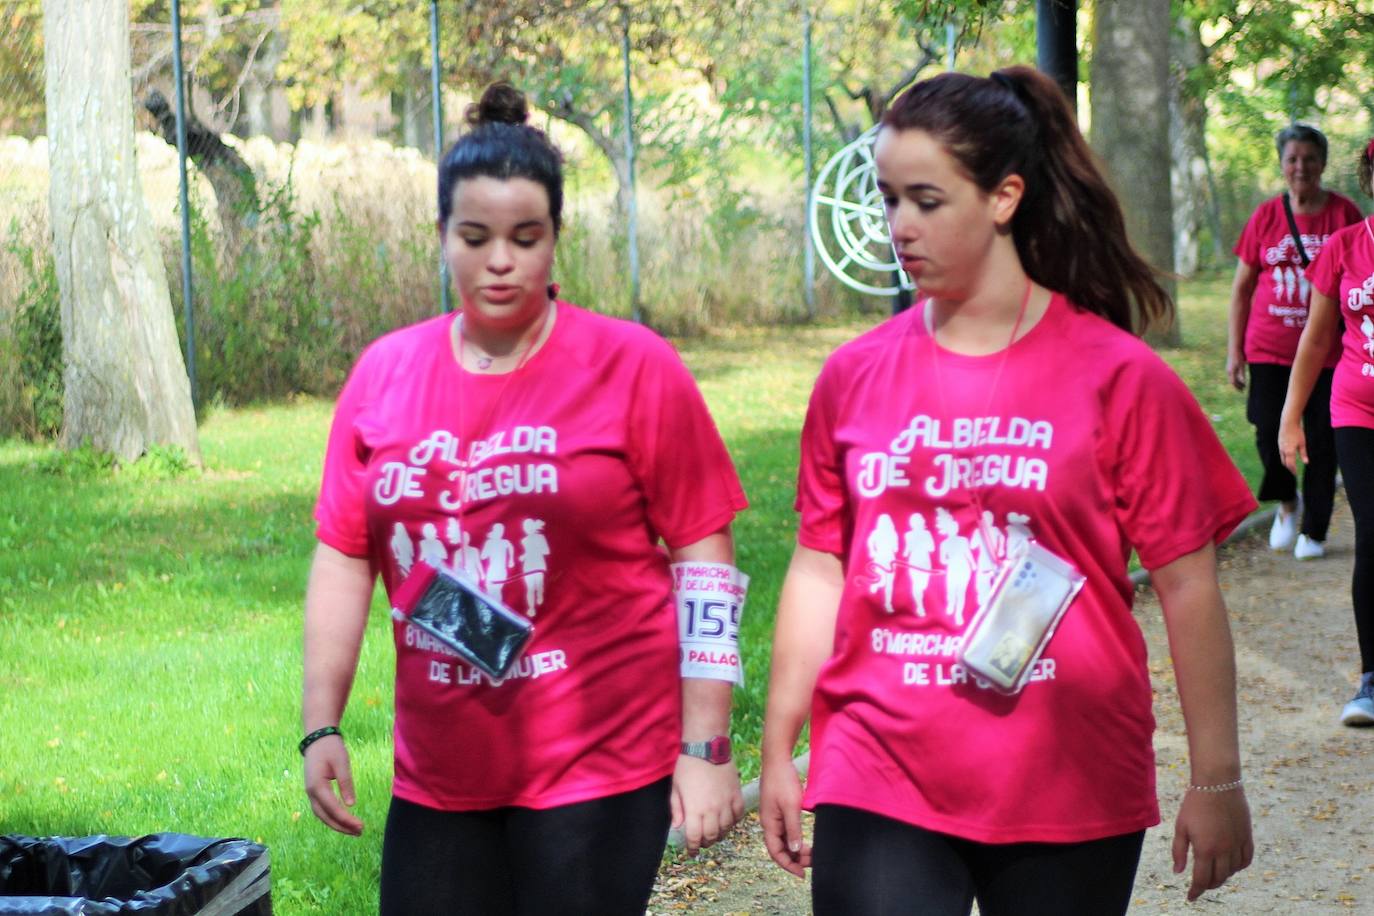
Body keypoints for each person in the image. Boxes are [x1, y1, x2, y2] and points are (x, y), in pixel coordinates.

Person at [759, 66, 1256, 916]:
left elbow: (1187, 583)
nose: (897, 227)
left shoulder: (1119, 378)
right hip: (880, 765)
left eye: (926, 199)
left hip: (1066, 775)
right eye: (887, 200)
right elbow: (818, 567)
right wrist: (779, 743)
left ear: (1004, 197)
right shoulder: (852, 377)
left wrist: (1217, 780)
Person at [300, 83, 749, 916]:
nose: (499, 260)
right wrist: (321, 723)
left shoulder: (633, 367)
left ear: (556, 241)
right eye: (474, 238)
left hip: (598, 765)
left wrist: (706, 744)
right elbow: (344, 549)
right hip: (440, 772)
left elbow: (704, 560)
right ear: (440, 237)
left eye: (524, 237)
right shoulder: (384, 375)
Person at [1227, 124, 1363, 559]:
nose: (1301, 166)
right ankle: (1287, 503)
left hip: (1330, 353)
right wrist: (1235, 351)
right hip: (1268, 349)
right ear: (1282, 165)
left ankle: (1316, 530)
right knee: (1268, 432)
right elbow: (1242, 286)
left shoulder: (1344, 215)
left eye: (1309, 158)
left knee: (1324, 441)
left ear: (1322, 164)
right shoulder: (1266, 217)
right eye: (1292, 158)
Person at [1279, 138, 1374, 726]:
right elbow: (1316, 339)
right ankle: (1371, 679)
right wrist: (1292, 415)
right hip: (1357, 410)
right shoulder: (1346, 246)